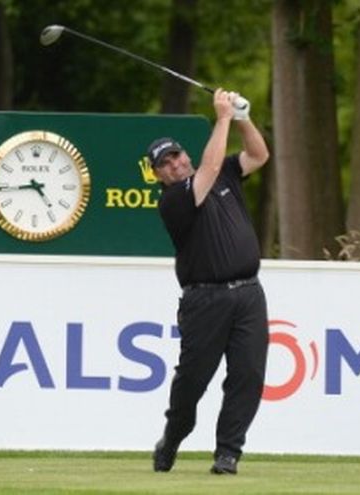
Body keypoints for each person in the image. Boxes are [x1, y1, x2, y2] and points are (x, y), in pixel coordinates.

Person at [148, 88, 270, 475]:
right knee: (192, 383)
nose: (175, 164)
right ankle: (173, 436)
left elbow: (258, 156)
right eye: (165, 163)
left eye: (177, 155)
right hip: (205, 301)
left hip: (249, 294)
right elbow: (211, 167)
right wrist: (222, 117)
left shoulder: (225, 175)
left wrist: (242, 118)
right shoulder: (173, 200)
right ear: (158, 175)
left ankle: (228, 453)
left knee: (247, 375)